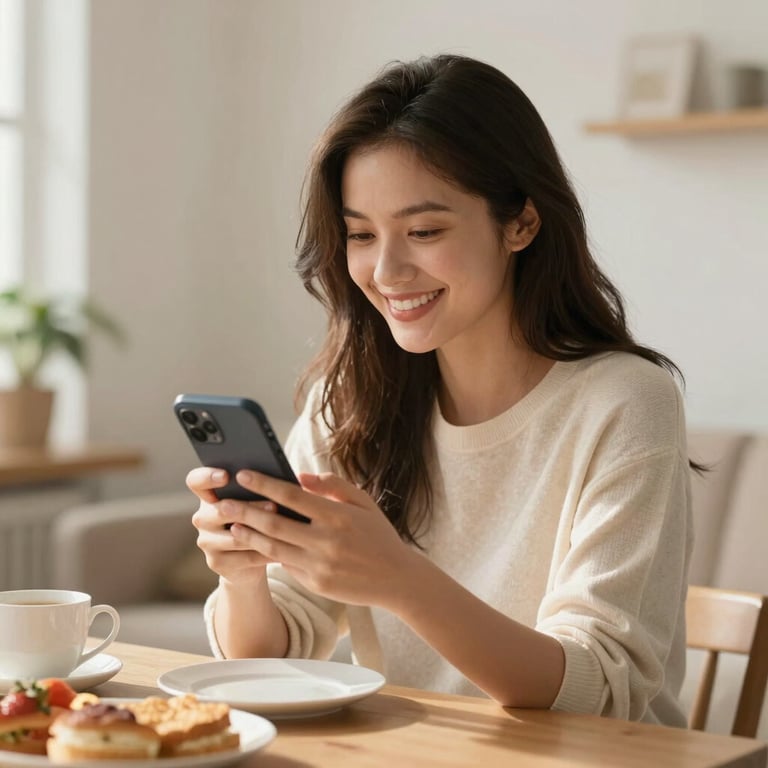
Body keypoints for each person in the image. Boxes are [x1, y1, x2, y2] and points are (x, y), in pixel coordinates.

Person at [188, 53, 694, 726]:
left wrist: (398, 577)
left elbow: (597, 690)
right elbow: (270, 652)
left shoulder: (626, 404)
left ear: (521, 223)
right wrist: (245, 575)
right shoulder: (349, 401)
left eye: (424, 231)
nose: (387, 270)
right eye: (361, 234)